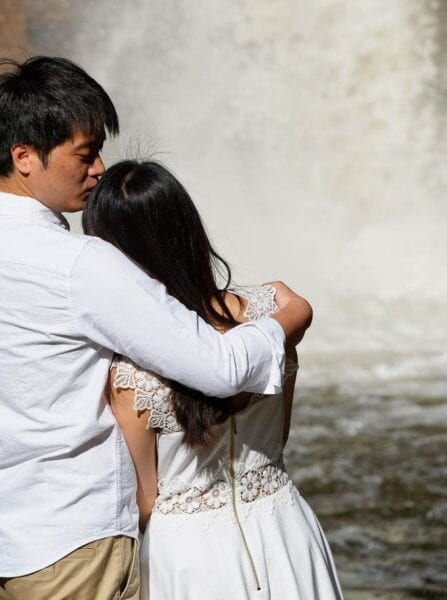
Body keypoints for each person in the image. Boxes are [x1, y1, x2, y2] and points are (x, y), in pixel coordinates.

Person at [0, 56, 313, 600]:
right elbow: (220, 367)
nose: (98, 169)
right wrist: (289, 318)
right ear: (24, 157)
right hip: (73, 548)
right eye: (84, 155)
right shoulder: (78, 263)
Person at [84, 159, 342, 599]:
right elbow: (281, 432)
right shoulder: (270, 314)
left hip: (188, 560)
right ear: (187, 228)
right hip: (286, 535)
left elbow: (145, 501)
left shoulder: (129, 372)